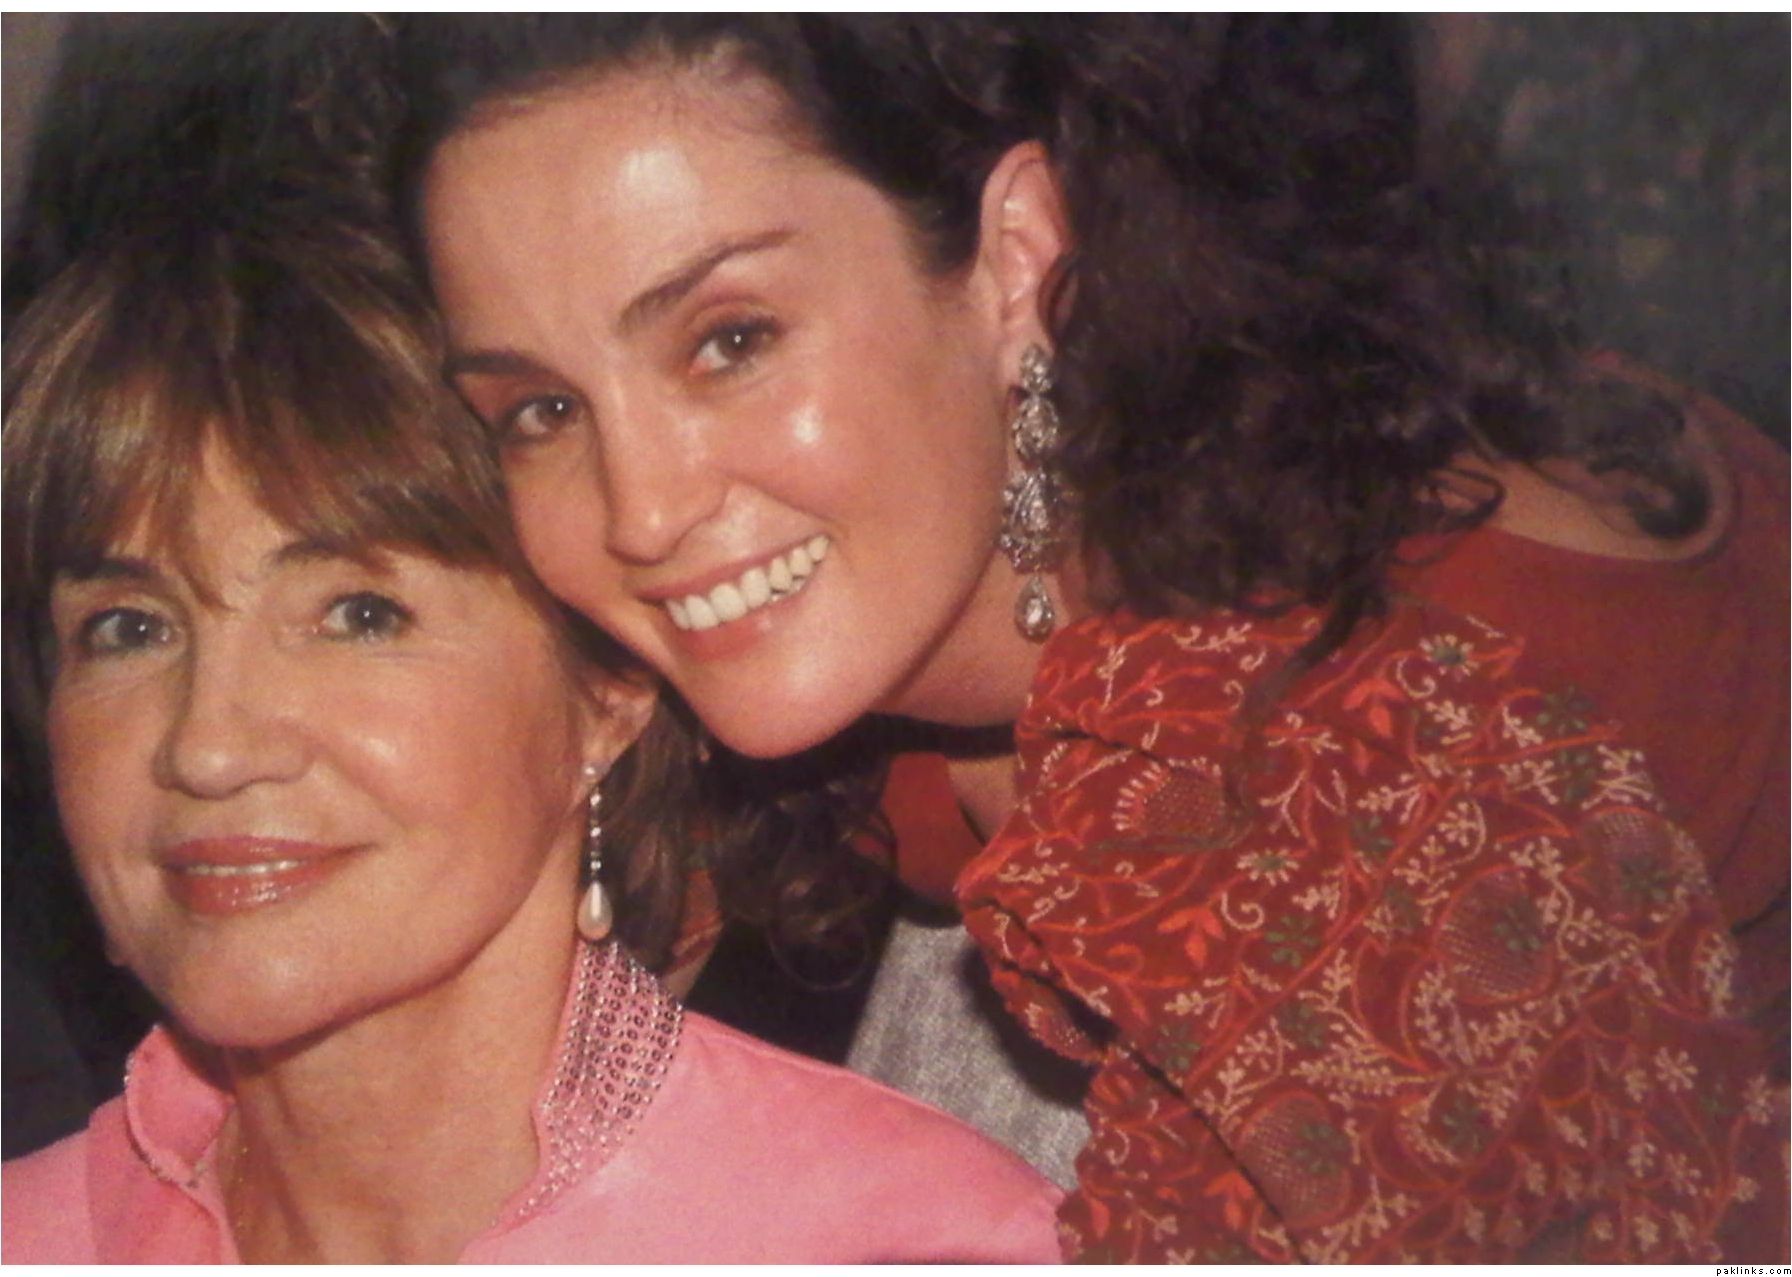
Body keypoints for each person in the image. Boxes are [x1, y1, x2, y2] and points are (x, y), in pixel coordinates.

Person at [403, 15, 1787, 1261]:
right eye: (541, 411)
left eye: (730, 340)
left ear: (1015, 257)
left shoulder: (1365, 756)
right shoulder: (938, 597)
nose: (638, 512)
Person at [0, 198, 1063, 1264]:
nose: (207, 746)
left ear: (606, 692)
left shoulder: (909, 1240)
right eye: (127, 627)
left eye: (359, 615)